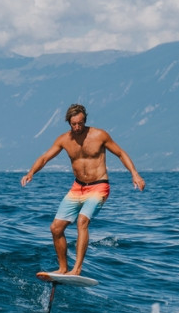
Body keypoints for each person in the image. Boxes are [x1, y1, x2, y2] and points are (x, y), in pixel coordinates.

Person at [21, 104, 145, 275]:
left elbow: (120, 153)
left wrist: (135, 174)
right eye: (73, 124)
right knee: (55, 228)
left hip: (99, 186)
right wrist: (31, 172)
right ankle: (63, 268)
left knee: (82, 221)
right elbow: (44, 158)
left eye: (80, 123)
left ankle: (77, 269)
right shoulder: (64, 139)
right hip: (77, 187)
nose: (77, 127)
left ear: (85, 120)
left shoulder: (99, 135)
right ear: (69, 123)